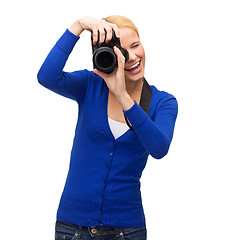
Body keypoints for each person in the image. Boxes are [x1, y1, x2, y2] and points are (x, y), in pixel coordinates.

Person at [37, 15, 178, 240]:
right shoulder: (90, 85)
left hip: (127, 230)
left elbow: (159, 148)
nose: (132, 57)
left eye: (136, 45)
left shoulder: (163, 102)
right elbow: (46, 76)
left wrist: (122, 95)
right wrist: (79, 26)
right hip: (72, 228)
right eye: (122, 52)